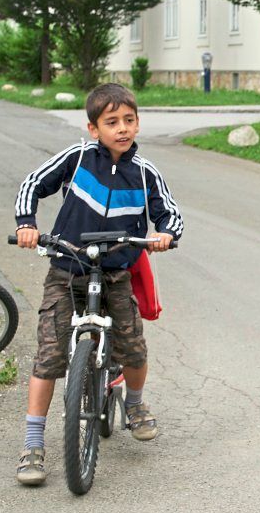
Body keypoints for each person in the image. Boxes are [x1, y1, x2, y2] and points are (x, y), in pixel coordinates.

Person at [12, 83, 184, 486]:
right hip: (66, 267)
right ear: (94, 128)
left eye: (129, 120)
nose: (122, 129)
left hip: (117, 270)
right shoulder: (77, 159)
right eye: (111, 122)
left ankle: (136, 405)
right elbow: (33, 184)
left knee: (132, 345)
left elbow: (169, 214)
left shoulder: (145, 173)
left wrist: (165, 235)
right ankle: (33, 443)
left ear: (137, 123)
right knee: (50, 354)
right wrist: (27, 224)